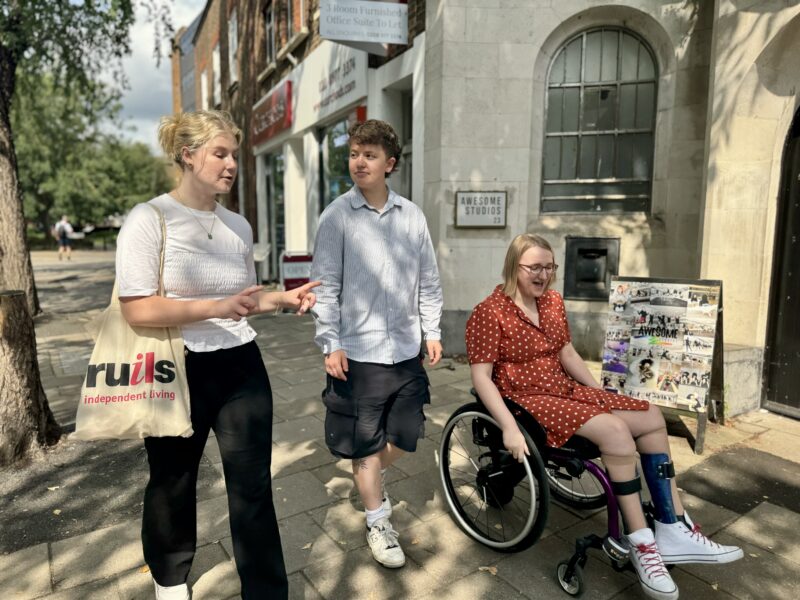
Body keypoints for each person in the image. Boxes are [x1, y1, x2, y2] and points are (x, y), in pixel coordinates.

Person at [465, 233, 742, 600]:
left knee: (650, 416)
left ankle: (672, 526)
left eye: (549, 267)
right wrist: (511, 429)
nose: (543, 274)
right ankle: (642, 544)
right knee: (614, 432)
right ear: (514, 266)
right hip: (527, 400)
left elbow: (567, 355)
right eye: (535, 267)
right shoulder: (490, 311)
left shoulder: (551, 302)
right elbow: (481, 378)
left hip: (564, 389)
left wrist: (599, 394)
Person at [116, 110, 318, 600]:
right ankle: (169, 580)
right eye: (219, 154)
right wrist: (217, 306)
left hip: (240, 364)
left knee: (252, 486)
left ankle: (266, 591)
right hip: (176, 367)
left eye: (233, 154)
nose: (230, 164)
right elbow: (137, 309)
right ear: (188, 155)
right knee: (172, 481)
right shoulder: (150, 219)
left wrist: (279, 299)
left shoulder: (237, 227)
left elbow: (241, 302)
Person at [311, 119, 443, 570]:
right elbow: (325, 286)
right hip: (358, 353)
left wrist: (434, 330)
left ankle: (367, 474)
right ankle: (377, 518)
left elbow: (428, 278)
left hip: (405, 349)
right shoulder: (336, 217)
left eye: (369, 155)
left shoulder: (413, 216)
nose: (359, 162)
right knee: (364, 446)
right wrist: (330, 342)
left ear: (389, 164)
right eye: (353, 154)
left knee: (406, 437)